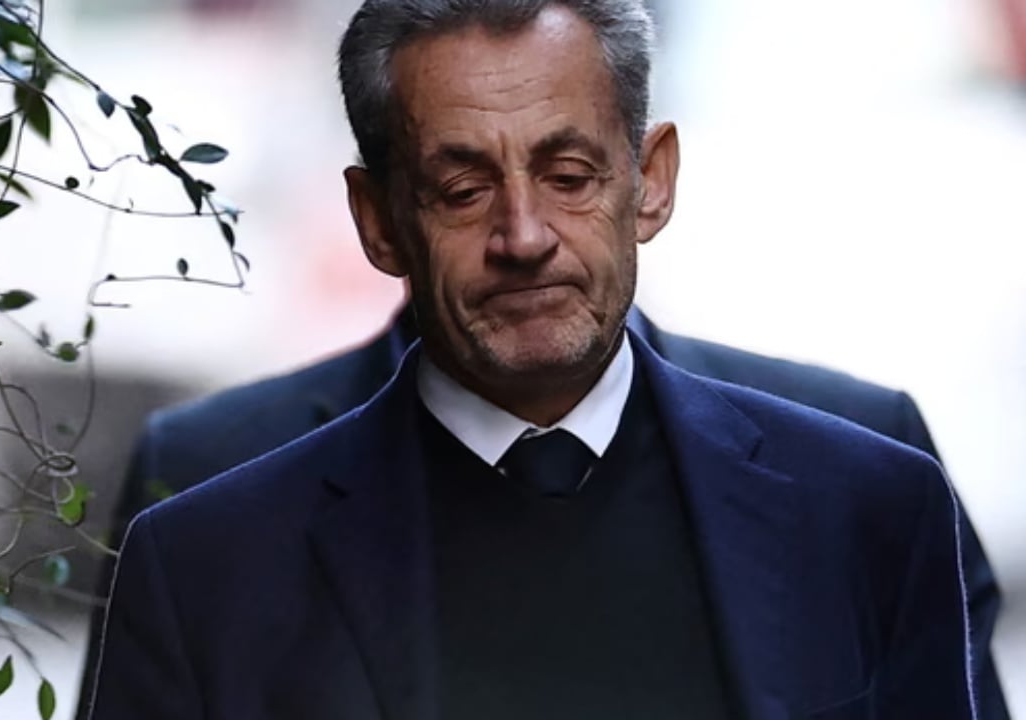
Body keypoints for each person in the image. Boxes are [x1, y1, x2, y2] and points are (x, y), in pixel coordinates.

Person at [89, 2, 988, 718]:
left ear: (652, 181)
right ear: (378, 222)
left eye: (568, 177)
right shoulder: (204, 560)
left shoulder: (868, 502)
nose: (523, 236)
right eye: (462, 190)